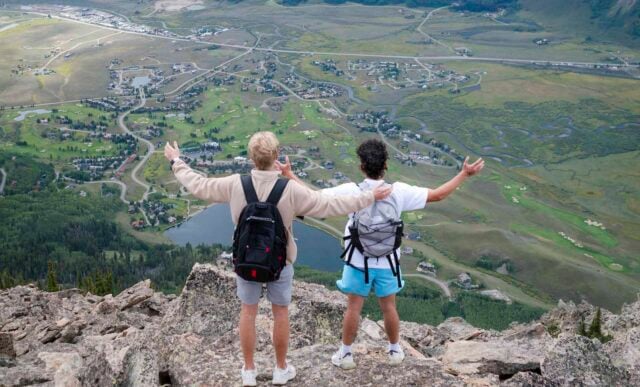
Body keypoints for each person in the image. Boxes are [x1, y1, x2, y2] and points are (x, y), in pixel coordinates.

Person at [164, 132, 393, 386]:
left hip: (246, 260)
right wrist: (370, 197)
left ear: (252, 157)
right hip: (279, 262)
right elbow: (330, 205)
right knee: (280, 313)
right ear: (276, 156)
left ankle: (249, 371)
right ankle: (280, 369)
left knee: (248, 312)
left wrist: (176, 161)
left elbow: (199, 185)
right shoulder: (290, 189)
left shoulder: (235, 184)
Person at [278, 138, 484, 369]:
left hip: (357, 261)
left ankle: (346, 355)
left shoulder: (350, 191)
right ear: (385, 165)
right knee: (389, 307)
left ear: (361, 166)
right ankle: (395, 350)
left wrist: (289, 175)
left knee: (353, 307)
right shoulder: (399, 192)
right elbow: (438, 195)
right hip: (388, 262)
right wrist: (464, 174)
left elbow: (314, 198)